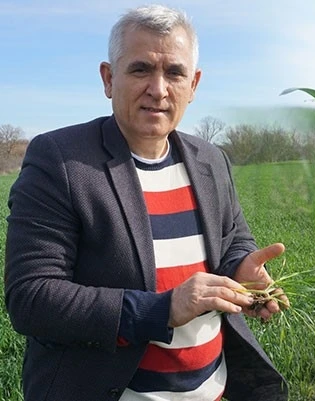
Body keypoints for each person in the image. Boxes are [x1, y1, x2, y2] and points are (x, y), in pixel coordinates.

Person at [3, 5, 288, 400]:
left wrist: (240, 266)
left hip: (214, 390)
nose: (158, 88)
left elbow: (232, 238)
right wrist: (162, 310)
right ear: (108, 78)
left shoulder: (211, 160)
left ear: (194, 84)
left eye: (174, 72)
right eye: (140, 69)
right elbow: (31, 297)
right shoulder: (60, 160)